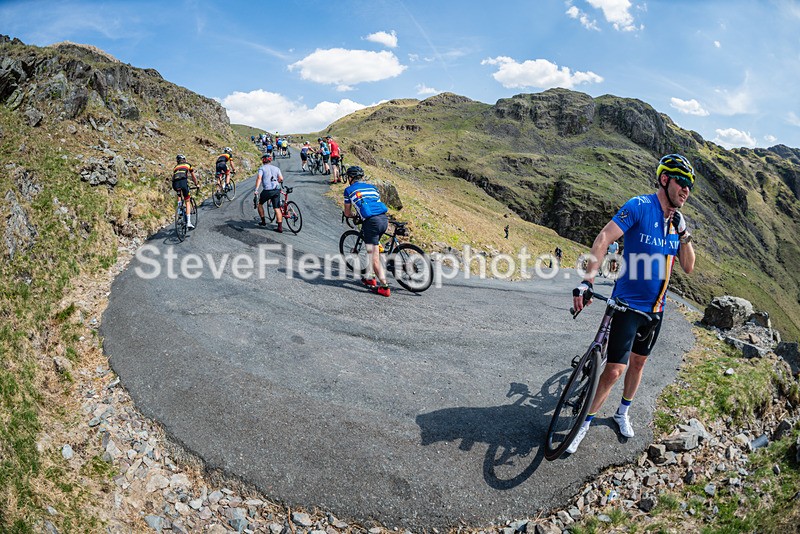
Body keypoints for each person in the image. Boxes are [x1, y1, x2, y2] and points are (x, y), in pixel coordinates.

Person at [568, 153, 696, 454]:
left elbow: (688, 266)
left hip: (656, 311)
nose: (686, 190)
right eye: (682, 182)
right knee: (614, 371)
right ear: (665, 180)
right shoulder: (640, 206)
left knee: (639, 364)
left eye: (690, 185)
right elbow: (603, 238)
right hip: (627, 304)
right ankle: (582, 424)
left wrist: (684, 232)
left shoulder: (675, 223)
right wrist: (587, 280)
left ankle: (622, 411)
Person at [343, 166, 391, 297]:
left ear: (350, 178)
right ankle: (370, 277)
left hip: (371, 222)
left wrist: (352, 216)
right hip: (383, 220)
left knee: (373, 256)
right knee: (374, 246)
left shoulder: (348, 190)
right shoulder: (373, 188)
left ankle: (384, 286)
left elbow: (347, 212)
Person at [254, 154, 285, 232]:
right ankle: (280, 227)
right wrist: (275, 182)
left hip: (267, 190)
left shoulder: (262, 168)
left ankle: (263, 222)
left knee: (259, 204)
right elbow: (281, 179)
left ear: (263, 160)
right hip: (276, 189)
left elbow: (259, 178)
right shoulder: (276, 168)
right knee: (277, 208)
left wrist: (256, 189)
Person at [172, 154, 199, 229]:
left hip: (175, 184)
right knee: (187, 201)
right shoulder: (188, 165)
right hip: (183, 182)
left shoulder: (175, 167)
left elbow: (173, 177)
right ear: (184, 160)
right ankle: (189, 223)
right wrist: (196, 184)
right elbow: (193, 176)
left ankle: (179, 209)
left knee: (179, 194)